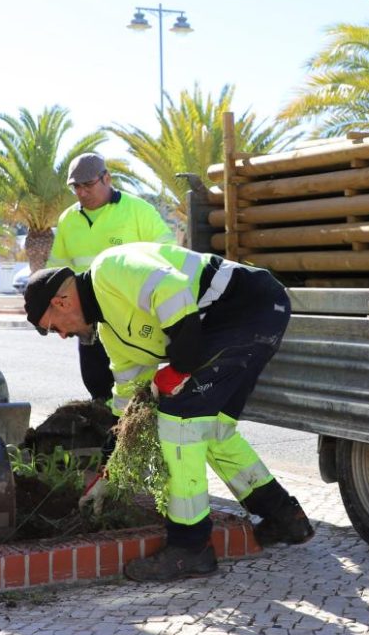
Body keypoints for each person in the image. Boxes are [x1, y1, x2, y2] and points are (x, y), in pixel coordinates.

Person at [26, 243, 314, 583]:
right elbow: (128, 398)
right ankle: (284, 516)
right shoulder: (110, 331)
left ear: (61, 302)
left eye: (54, 326)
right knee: (215, 432)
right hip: (238, 319)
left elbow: (173, 290)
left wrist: (179, 369)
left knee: (179, 422)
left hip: (245, 304)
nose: (62, 335)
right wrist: (108, 468)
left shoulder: (111, 269)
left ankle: (190, 547)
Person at [46, 152, 174, 405]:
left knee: (137, 384)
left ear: (107, 178)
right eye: (76, 187)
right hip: (90, 318)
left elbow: (168, 255)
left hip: (131, 315)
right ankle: (108, 430)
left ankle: (138, 429)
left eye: (88, 185)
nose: (82, 192)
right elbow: (57, 269)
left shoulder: (139, 211)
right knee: (96, 381)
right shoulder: (68, 220)